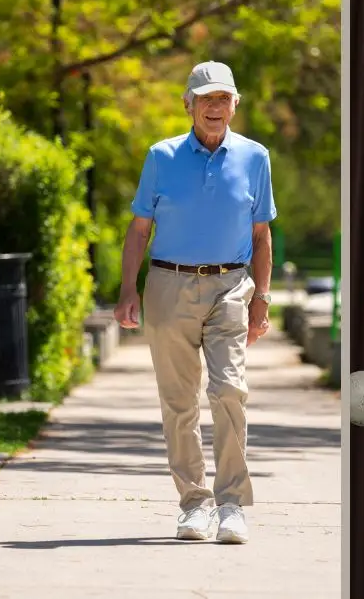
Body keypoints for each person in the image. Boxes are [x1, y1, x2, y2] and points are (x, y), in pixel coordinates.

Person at [114, 60, 277, 544]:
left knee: (229, 390)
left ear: (234, 106)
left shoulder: (255, 157)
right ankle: (194, 504)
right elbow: (139, 230)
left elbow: (262, 235)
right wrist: (128, 290)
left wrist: (262, 300)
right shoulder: (161, 157)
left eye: (223, 98)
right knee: (179, 401)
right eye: (205, 98)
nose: (214, 107)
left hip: (231, 286)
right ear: (188, 104)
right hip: (168, 285)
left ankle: (231, 504)